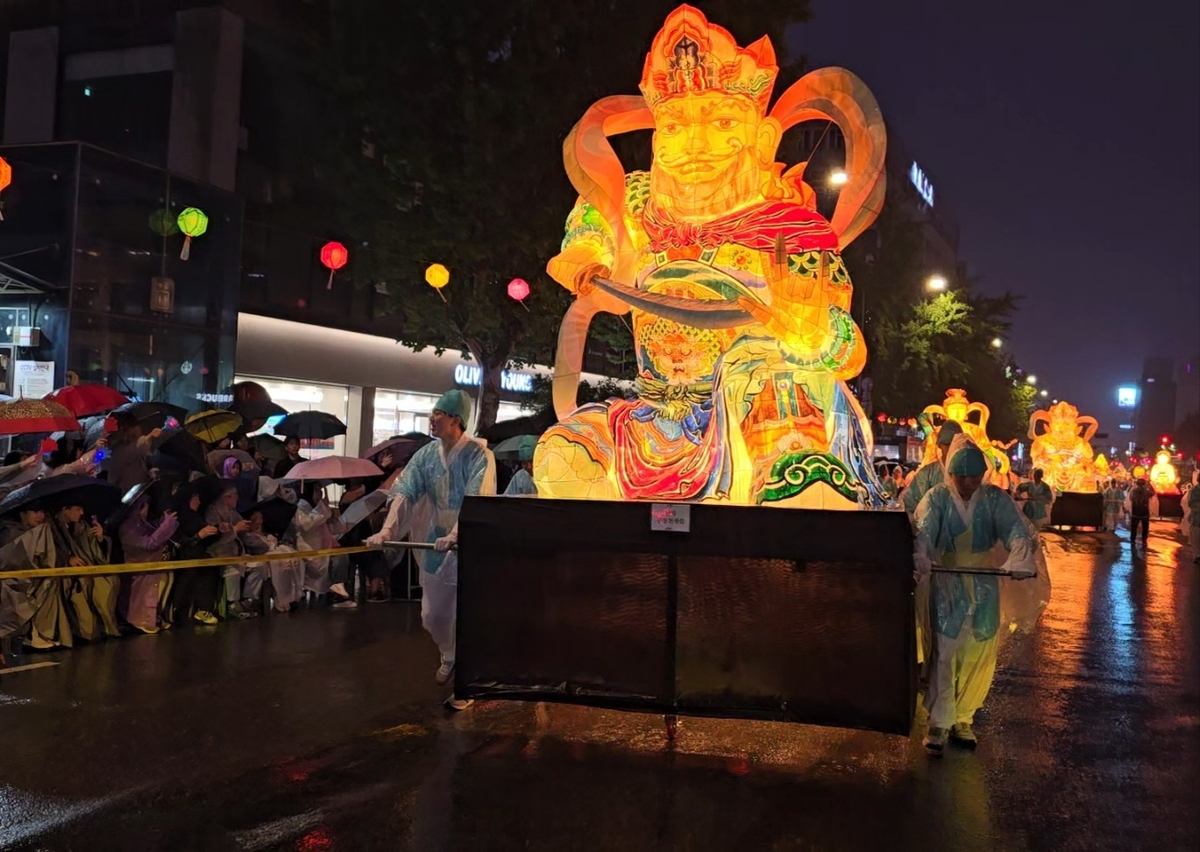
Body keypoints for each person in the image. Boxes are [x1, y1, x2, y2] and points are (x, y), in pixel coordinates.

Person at [367, 389, 496, 709]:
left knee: (469, 616)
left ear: (456, 419)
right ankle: (450, 654)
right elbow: (405, 492)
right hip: (437, 542)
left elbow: (476, 497)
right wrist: (387, 530)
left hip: (470, 542)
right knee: (432, 614)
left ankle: (468, 688)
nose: (432, 419)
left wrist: (457, 532)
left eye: (438, 413)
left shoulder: (479, 455)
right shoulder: (426, 455)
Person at [913, 435, 1041, 754]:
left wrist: (1020, 554)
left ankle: (964, 717)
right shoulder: (936, 498)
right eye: (962, 476)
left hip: (984, 585)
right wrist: (921, 557)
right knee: (943, 651)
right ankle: (940, 722)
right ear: (951, 474)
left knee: (979, 651)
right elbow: (924, 532)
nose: (969, 483)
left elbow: (1014, 529)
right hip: (947, 582)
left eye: (975, 476)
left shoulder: (995, 499)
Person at [0, 503, 72, 651]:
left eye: (42, 511)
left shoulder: (39, 532)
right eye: (35, 511)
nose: (40, 516)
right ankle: (32, 635)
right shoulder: (11, 532)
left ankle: (38, 633)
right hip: (12, 582)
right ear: (22, 514)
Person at [49, 501, 120, 640]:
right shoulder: (52, 528)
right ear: (65, 509)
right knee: (81, 606)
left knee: (105, 590)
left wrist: (100, 538)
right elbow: (49, 551)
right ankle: (83, 633)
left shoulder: (81, 526)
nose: (81, 513)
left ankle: (103, 630)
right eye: (77, 509)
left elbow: (96, 552)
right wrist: (67, 559)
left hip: (87, 574)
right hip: (70, 579)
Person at [118, 488, 179, 635]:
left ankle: (155, 616)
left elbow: (155, 534)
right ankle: (142, 619)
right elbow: (148, 543)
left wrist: (164, 522)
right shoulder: (127, 527)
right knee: (147, 592)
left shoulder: (141, 523)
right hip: (139, 568)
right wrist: (166, 525)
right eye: (145, 505)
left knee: (164, 582)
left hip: (152, 564)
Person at [168, 482, 223, 625]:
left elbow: (206, 540)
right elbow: (179, 542)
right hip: (183, 558)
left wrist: (219, 530)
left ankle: (203, 609)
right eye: (195, 498)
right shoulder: (176, 517)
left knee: (210, 567)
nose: (199, 502)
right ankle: (178, 612)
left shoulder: (197, 517)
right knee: (190, 572)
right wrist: (198, 536)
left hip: (199, 556)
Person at [204, 481, 258, 617]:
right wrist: (235, 529)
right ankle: (232, 603)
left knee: (259, 567)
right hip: (218, 553)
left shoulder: (232, 513)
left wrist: (250, 526)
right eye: (235, 495)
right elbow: (215, 540)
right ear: (226, 497)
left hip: (235, 551)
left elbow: (242, 528)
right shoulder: (213, 512)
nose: (237, 498)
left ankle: (247, 598)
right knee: (232, 569)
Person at [901, 421, 964, 517]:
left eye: (956, 444)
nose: (952, 448)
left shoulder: (970, 473)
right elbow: (911, 505)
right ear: (940, 445)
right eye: (947, 444)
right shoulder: (927, 474)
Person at [1127, 477, 1153, 549]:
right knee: (1145, 527)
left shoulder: (1133, 491)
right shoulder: (1147, 491)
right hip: (1144, 512)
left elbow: (1131, 499)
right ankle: (1144, 540)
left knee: (1134, 527)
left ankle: (1133, 539)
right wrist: (1149, 485)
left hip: (1135, 511)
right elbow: (1152, 493)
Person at [1186, 472, 1200, 563]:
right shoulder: (1194, 490)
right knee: (1196, 539)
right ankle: (1197, 556)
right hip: (1197, 520)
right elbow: (1192, 504)